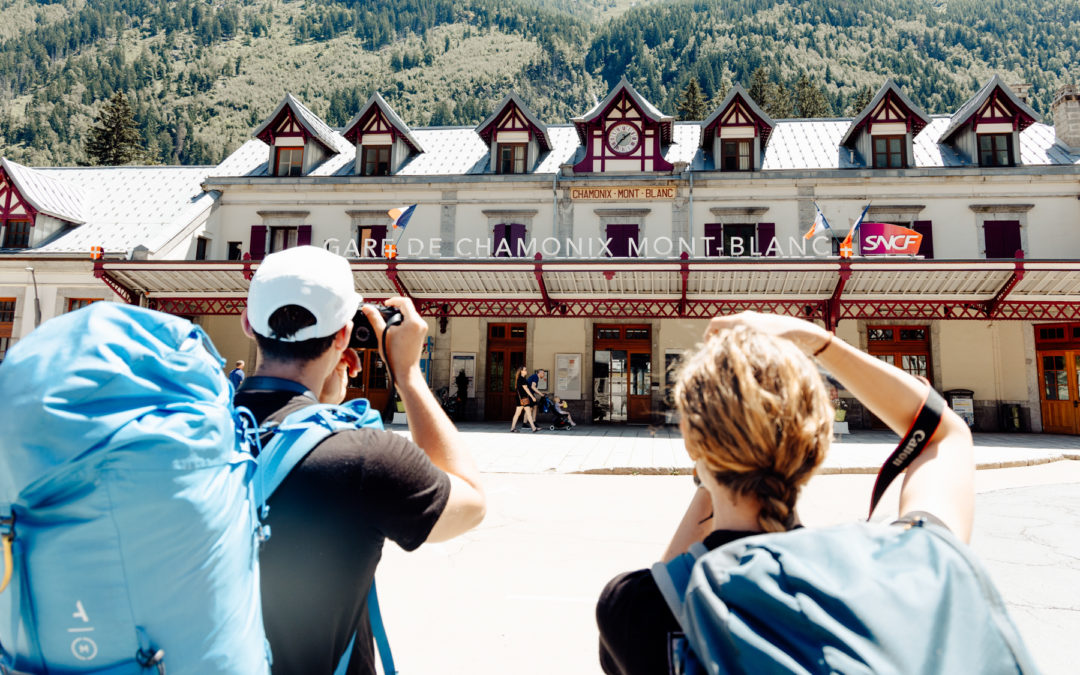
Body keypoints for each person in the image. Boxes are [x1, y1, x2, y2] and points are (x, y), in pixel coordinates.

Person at [595, 311, 974, 675]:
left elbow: (666, 583)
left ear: (695, 448)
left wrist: (714, 463)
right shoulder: (903, 572)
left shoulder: (635, 609)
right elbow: (943, 432)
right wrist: (817, 341)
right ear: (817, 444)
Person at [234, 245, 486, 674]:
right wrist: (407, 374)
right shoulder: (363, 457)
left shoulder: (183, 433)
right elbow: (470, 503)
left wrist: (316, 408)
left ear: (247, 324)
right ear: (344, 336)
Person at [509, 365, 538, 433]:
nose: (526, 371)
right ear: (521, 371)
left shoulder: (519, 378)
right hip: (524, 399)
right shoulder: (522, 379)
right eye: (525, 370)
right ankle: (533, 428)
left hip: (520, 399)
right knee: (528, 413)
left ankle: (512, 428)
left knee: (517, 414)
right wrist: (532, 397)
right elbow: (526, 389)